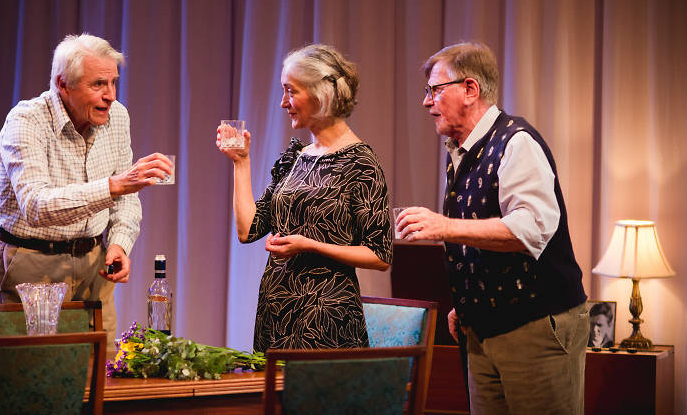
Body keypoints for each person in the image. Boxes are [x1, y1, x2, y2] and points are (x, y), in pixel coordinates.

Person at [395, 42, 589, 414]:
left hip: (534, 327)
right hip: (481, 329)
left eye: (435, 90)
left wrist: (443, 226)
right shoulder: (461, 152)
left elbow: (528, 229)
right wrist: (469, 302)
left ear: (470, 89)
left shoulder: (516, 143)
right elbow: (480, 239)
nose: (426, 102)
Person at [0, 33, 172, 348]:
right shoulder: (26, 121)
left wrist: (119, 244)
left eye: (114, 82)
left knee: (102, 374)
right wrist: (114, 185)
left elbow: (126, 198)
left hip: (94, 263)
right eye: (98, 84)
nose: (111, 95)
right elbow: (37, 205)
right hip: (34, 263)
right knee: (34, 374)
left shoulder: (117, 117)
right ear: (63, 85)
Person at [216, 44, 392, 353]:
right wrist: (240, 163)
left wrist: (309, 245)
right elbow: (249, 231)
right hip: (277, 312)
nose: (284, 102)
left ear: (321, 94)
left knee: (315, 402)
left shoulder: (360, 163)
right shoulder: (295, 157)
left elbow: (379, 255)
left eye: (291, 91)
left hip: (325, 317)